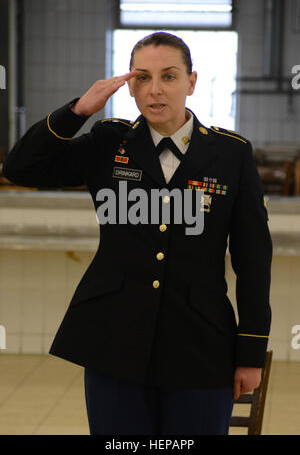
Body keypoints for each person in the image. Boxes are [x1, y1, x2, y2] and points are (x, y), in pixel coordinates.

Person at [2, 32, 272, 436]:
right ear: (129, 86)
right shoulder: (109, 143)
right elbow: (20, 168)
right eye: (142, 78)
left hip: (200, 342)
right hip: (113, 337)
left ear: (191, 82)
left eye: (169, 76)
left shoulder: (230, 154)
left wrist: (250, 351)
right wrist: (76, 111)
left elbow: (253, 259)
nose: (155, 90)